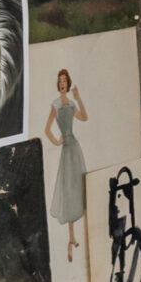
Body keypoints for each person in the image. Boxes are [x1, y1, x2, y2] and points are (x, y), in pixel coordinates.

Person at [43, 68, 89, 259]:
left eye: (65, 80)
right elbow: (47, 129)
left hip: (75, 149)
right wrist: (57, 141)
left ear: (68, 84)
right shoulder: (55, 104)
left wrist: (78, 98)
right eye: (60, 80)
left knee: (77, 186)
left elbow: (84, 117)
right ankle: (71, 237)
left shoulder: (70, 103)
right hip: (66, 149)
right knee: (68, 188)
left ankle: (73, 237)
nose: (62, 83)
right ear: (58, 84)